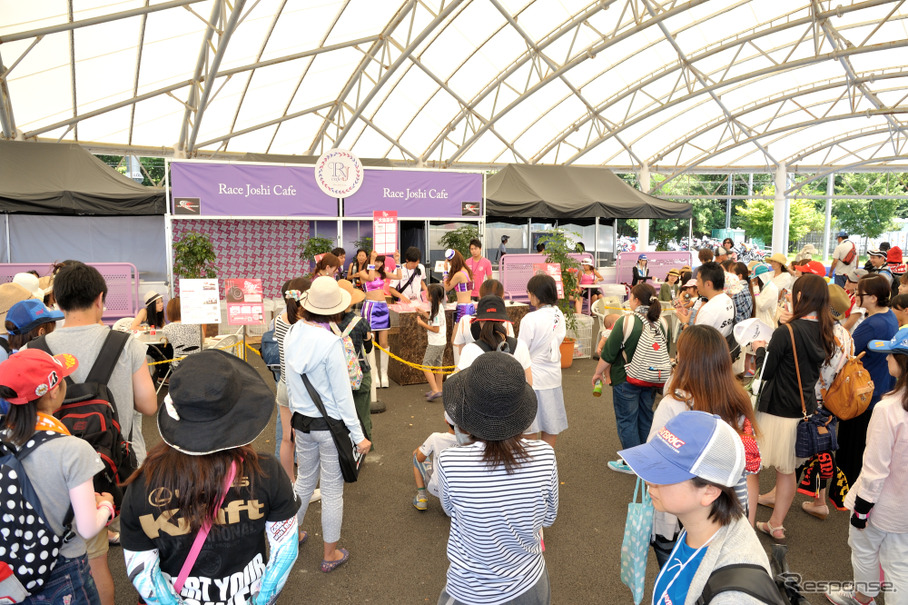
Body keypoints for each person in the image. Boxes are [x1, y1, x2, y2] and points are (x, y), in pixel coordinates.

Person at [120, 350, 299, 605]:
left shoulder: (141, 485)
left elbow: (142, 571)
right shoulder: (267, 472)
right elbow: (285, 550)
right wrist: (261, 601)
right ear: (239, 413)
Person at [30, 261, 157, 605]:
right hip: (124, 467)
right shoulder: (126, 343)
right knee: (146, 549)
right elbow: (148, 405)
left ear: (55, 301)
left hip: (58, 471)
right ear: (101, 299)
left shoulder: (35, 351)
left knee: (85, 557)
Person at [436, 353, 558, 605]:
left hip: (470, 591)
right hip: (530, 585)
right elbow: (548, 517)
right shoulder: (545, 455)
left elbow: (450, 510)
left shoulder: (450, 462)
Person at [620, 411, 772, 605]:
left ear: (709, 492)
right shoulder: (699, 526)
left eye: (665, 472)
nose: (649, 480)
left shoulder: (733, 597)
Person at [0, 348, 113, 605]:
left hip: (13, 566)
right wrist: (106, 505)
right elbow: (87, 527)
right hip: (62, 570)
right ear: (52, 391)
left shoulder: (3, 438)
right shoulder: (72, 449)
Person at [284, 277, 371, 573]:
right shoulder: (331, 342)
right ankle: (330, 554)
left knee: (304, 480)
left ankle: (290, 536)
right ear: (334, 309)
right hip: (330, 426)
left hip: (302, 422)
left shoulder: (292, 332)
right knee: (332, 490)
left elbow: (293, 382)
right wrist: (359, 436)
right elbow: (343, 397)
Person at [649, 326, 761, 538]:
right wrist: (748, 526)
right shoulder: (738, 403)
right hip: (723, 510)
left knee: (679, 564)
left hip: (678, 516)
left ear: (686, 362)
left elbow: (654, 460)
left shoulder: (673, 404)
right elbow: (750, 471)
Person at [825, 327, 908, 605]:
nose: (885, 359)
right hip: (904, 509)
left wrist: (861, 509)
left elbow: (875, 468)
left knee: (863, 547)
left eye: (891, 354)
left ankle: (863, 597)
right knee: (900, 563)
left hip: (881, 505)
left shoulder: (889, 409)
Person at [751, 273, 835, 542]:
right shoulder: (824, 330)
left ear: (799, 296)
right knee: (787, 471)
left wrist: (760, 348)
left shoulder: (786, 331)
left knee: (751, 465)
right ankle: (776, 524)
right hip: (803, 411)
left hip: (776, 410)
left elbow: (765, 372)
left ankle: (747, 520)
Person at [796, 283, 855, 518]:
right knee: (822, 448)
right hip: (833, 403)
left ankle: (779, 497)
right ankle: (820, 502)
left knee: (795, 453)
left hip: (810, 401)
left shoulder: (819, 333)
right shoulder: (846, 336)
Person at [593, 283, 665, 473]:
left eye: (631, 297)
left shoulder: (626, 322)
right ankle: (647, 456)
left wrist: (597, 373)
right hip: (652, 378)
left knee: (627, 419)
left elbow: (608, 354)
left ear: (636, 300)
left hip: (626, 378)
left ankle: (632, 462)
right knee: (645, 416)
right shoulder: (661, 323)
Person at [837, 275, 899, 489]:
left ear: (872, 297)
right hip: (879, 388)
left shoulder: (872, 324)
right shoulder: (889, 316)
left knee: (850, 446)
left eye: (858, 294)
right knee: (863, 445)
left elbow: (846, 350)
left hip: (861, 393)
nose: (855, 297)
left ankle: (844, 494)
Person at [518, 274, 567, 448]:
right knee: (550, 426)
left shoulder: (530, 319)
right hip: (553, 376)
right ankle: (547, 466)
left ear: (536, 294)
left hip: (532, 378)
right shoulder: (559, 314)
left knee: (529, 428)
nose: (528, 296)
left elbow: (521, 351)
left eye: (529, 292)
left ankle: (529, 470)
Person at [273, 277, 311, 480]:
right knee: (304, 442)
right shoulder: (305, 325)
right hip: (302, 391)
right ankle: (304, 488)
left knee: (287, 439)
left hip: (284, 386)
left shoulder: (279, 320)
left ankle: (289, 484)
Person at [457, 295, 533, 384]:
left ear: (480, 321)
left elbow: (460, 385)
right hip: (515, 397)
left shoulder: (470, 350)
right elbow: (529, 384)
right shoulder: (520, 346)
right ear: (503, 321)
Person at [336, 279, 373, 442]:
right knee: (362, 412)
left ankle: (345, 446)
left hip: (337, 374)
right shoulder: (361, 322)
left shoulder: (327, 324)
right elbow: (369, 348)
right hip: (360, 371)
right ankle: (365, 445)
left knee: (340, 414)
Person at [358, 251, 398, 388]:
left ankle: (384, 374)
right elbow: (369, 278)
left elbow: (399, 276)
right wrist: (371, 261)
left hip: (383, 308)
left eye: (381, 261)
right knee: (371, 340)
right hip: (370, 307)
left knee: (384, 341)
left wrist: (397, 261)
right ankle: (373, 374)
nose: (379, 264)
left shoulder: (382, 273)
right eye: (377, 261)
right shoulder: (363, 272)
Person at [451, 279, 515, 363]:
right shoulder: (506, 324)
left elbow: (460, 354)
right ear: (502, 297)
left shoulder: (465, 321)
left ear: (479, 296)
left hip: (470, 372)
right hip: (499, 372)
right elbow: (510, 355)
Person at [411, 411, 458, 512]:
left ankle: (421, 498)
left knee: (416, 455)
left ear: (446, 421)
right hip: (460, 492)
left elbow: (420, 459)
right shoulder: (473, 440)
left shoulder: (436, 437)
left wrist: (420, 449)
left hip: (437, 487)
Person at [678, 262, 734, 337]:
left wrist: (684, 323)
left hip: (710, 348)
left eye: (698, 280)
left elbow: (697, 339)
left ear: (708, 284)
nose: (696, 284)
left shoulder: (708, 310)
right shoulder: (728, 299)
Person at [416, 284, 447, 401]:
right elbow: (434, 320)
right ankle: (439, 389)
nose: (425, 294)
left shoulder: (437, 310)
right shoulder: (438, 307)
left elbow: (436, 329)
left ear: (432, 296)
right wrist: (423, 313)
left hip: (435, 342)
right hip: (441, 341)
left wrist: (422, 324)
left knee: (426, 366)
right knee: (438, 366)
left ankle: (435, 390)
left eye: (427, 292)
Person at [160, 297, 201, 369]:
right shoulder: (196, 324)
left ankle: (162, 377)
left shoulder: (167, 329)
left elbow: (164, 342)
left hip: (179, 366)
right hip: (198, 364)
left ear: (169, 311)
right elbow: (202, 340)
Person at [443, 249, 475, 324]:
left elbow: (446, 287)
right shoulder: (466, 271)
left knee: (457, 334)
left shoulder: (459, 275)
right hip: (468, 305)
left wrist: (445, 271)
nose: (450, 264)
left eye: (450, 262)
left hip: (464, 308)